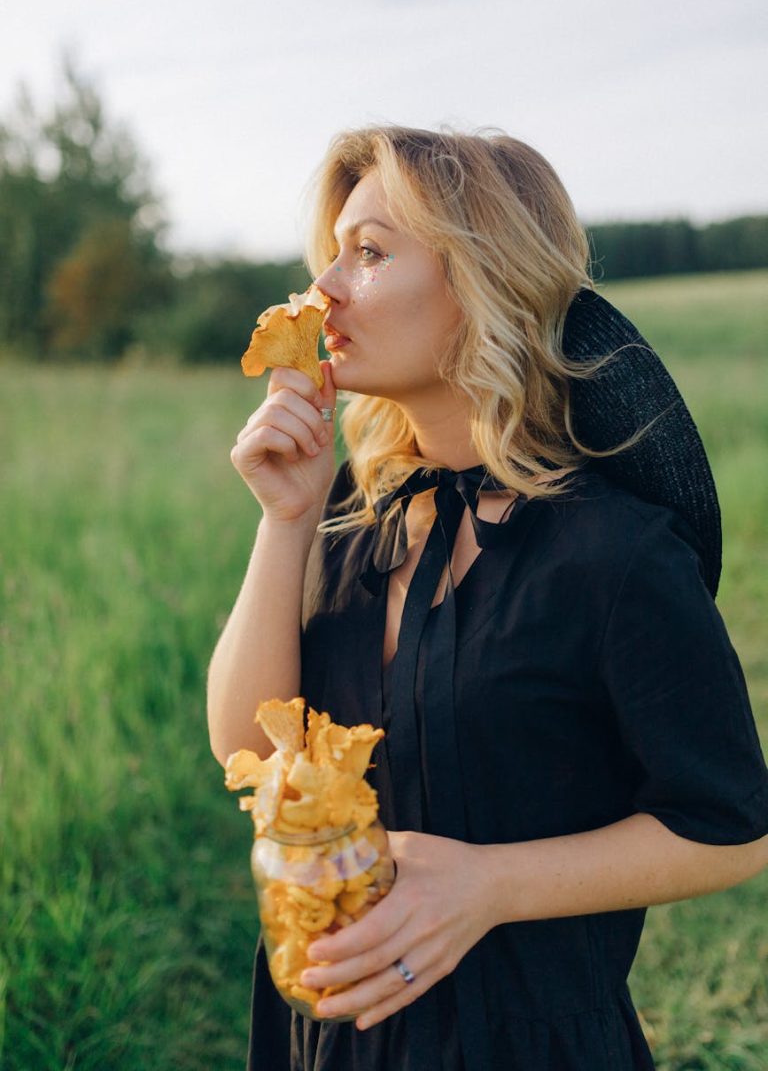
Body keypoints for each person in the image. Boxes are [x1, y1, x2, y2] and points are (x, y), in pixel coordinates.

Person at [207, 127, 768, 1071]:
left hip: (529, 1044)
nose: (325, 289)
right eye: (332, 254)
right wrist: (285, 521)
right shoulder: (349, 513)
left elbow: (731, 829)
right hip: (328, 1038)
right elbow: (250, 754)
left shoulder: (616, 552)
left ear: (482, 279)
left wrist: (491, 885)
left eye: (372, 252)